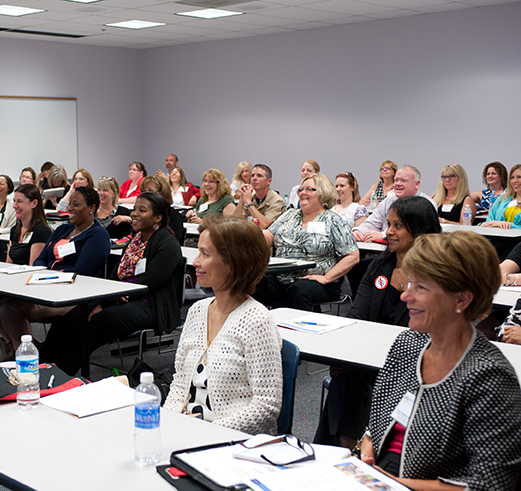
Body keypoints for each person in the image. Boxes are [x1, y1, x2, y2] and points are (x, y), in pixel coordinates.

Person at [359, 231, 521, 490]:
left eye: (421, 287)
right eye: (409, 283)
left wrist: (390, 483)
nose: (405, 296)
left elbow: (489, 485)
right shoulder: (408, 344)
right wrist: (365, 459)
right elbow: (375, 425)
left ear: (462, 299)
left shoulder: (489, 376)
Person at [315, 196, 441, 449]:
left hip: (413, 362)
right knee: (347, 371)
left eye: (398, 226)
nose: (389, 231)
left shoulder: (437, 275)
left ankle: (352, 450)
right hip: (369, 356)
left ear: (419, 230)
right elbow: (357, 316)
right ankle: (345, 449)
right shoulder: (378, 267)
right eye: (389, 224)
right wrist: (346, 355)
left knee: (355, 376)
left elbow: (429, 334)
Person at [164, 215, 283, 434]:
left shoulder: (257, 321)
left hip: (232, 439)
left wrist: (206, 432)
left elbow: (267, 407)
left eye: (205, 253)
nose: (195, 262)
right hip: (191, 432)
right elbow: (180, 382)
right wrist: (170, 423)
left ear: (233, 263)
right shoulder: (197, 311)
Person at [41, 193, 183, 375]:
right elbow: (115, 275)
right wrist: (103, 301)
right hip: (121, 295)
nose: (134, 214)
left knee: (96, 325)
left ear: (158, 218)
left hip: (150, 303)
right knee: (71, 318)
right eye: (134, 209)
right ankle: (40, 369)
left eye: (142, 210)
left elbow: (148, 283)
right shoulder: (136, 241)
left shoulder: (168, 244)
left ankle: (59, 376)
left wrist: (110, 300)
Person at [0, 187, 110, 349]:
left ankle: (30, 354)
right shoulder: (63, 229)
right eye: (69, 204)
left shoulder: (98, 235)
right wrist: (54, 269)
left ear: (92, 208)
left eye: (76, 204)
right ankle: (26, 349)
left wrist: (51, 267)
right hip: (46, 286)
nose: (70, 208)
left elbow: (80, 271)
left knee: (10, 309)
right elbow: (40, 260)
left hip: (73, 296)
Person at [264, 174, 359, 310]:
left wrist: (327, 278)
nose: (303, 193)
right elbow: (268, 237)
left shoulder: (332, 220)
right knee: (254, 283)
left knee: (298, 290)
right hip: (281, 277)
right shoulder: (289, 215)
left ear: (323, 192)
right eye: (301, 189)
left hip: (319, 281)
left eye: (309, 189)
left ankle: (298, 324)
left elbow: (353, 256)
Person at [0, 185, 53, 350]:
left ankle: (25, 349)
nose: (14, 206)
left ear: (34, 204)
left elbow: (34, 268)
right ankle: (15, 345)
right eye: (14, 201)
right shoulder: (15, 230)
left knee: (8, 309)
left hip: (33, 289)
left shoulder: (41, 231)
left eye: (19, 201)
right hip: (15, 285)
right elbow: (9, 262)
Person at [353, 166, 436, 242]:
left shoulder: (427, 204)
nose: (398, 184)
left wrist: (383, 235)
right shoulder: (388, 201)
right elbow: (372, 223)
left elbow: (413, 232)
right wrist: (358, 231)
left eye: (404, 180)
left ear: (417, 184)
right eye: (396, 180)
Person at [233, 164, 286, 229]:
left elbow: (263, 225)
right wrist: (242, 199)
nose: (254, 178)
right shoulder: (251, 198)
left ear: (269, 181)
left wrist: (249, 203)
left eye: (259, 176)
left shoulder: (277, 201)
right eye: (252, 175)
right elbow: (234, 222)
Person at [140, 175, 185, 244]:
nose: (146, 195)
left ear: (162, 192)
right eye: (144, 191)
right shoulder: (141, 215)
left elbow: (175, 241)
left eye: (150, 191)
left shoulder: (173, 215)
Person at [482, 163, 521, 229]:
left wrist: (507, 225)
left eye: (519, 177)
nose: (515, 181)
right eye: (512, 177)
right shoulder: (502, 199)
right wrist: (498, 224)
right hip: (496, 235)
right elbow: (488, 222)